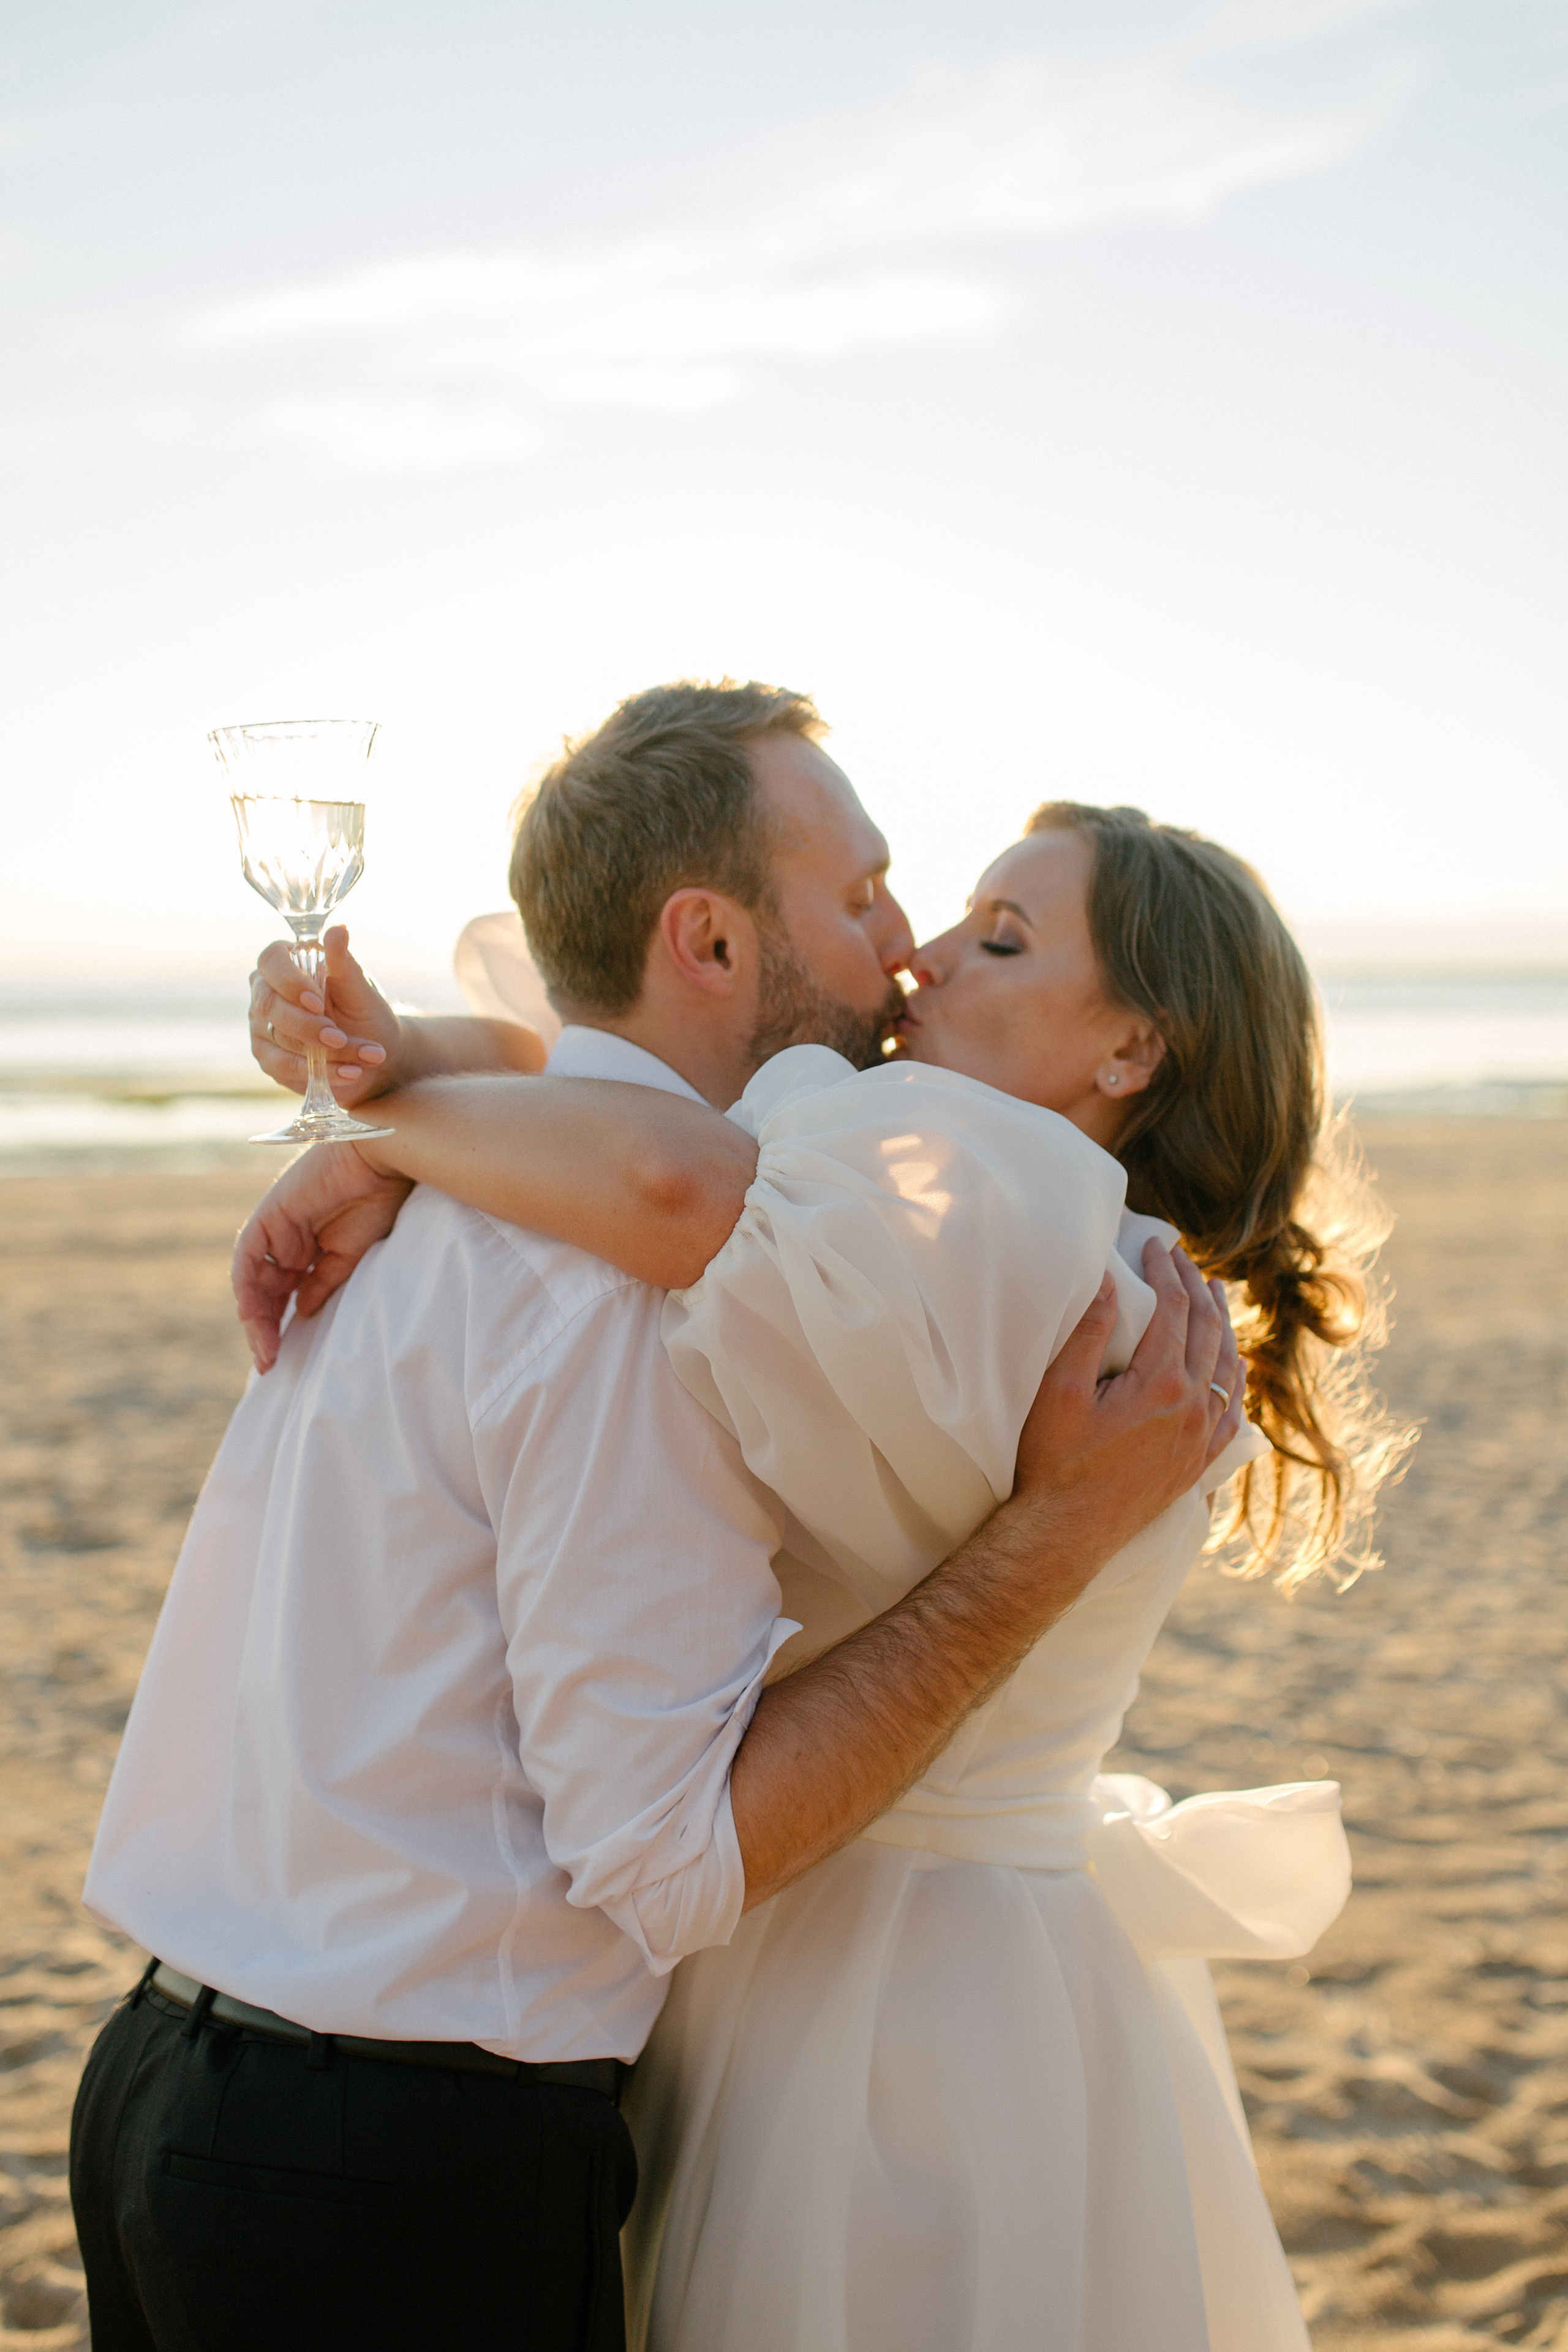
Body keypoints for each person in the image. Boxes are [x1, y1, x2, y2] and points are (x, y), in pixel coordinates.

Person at [72, 682, 1239, 2352]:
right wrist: (392, 1106)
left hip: (161, 2084)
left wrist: (391, 1108)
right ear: (710, 940)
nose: (904, 951)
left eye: (978, 931)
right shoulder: (653, 1272)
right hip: (386, 2164)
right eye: (864, 896)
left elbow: (627, 1122)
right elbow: (667, 1860)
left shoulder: (498, 1198)